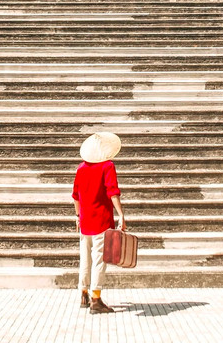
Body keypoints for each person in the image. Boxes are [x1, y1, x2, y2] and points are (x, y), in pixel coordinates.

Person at [71, 131, 125, 314]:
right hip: (101, 220)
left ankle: (83, 293)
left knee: (85, 258)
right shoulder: (107, 166)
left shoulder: (81, 168)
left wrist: (78, 216)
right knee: (99, 259)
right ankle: (96, 298)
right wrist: (122, 215)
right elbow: (113, 192)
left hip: (85, 221)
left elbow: (75, 196)